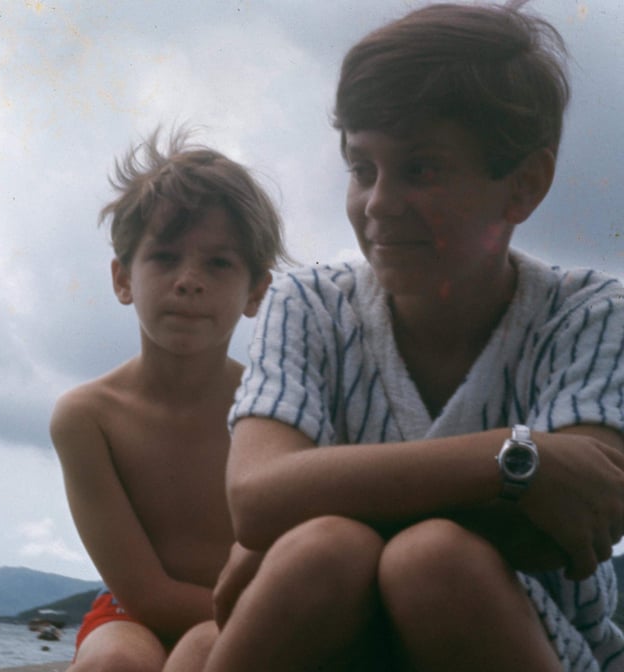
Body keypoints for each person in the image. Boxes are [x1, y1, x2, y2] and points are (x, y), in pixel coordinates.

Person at [165, 3, 624, 671]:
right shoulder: (311, 303)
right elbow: (257, 496)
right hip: (339, 636)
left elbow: (563, 529)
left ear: (523, 186)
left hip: (534, 641)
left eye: (422, 170)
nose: (379, 203)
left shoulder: (589, 316)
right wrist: (514, 457)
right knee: (324, 555)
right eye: (362, 169)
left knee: (426, 561)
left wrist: (293, 516)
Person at [49, 128, 288, 671]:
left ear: (256, 292)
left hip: (259, 612)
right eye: (163, 257)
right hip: (132, 612)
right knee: (112, 664)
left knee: (205, 649)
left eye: (219, 264)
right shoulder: (88, 417)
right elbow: (145, 593)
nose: (188, 281)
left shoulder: (276, 409)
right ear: (122, 278)